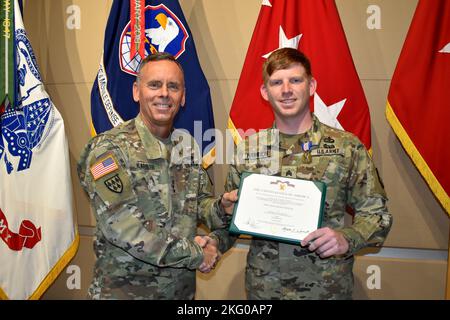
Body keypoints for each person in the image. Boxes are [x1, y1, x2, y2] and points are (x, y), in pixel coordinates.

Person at [223, 48, 392, 299]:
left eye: (295, 80)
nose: (286, 89)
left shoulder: (346, 147)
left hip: (325, 289)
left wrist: (348, 238)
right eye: (277, 82)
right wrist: (219, 226)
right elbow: (230, 223)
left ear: (311, 86)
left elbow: (378, 216)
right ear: (264, 91)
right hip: (265, 290)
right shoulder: (248, 149)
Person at [77, 52, 235, 300]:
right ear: (137, 91)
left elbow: (198, 202)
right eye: (154, 85)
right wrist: (196, 254)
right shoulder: (108, 150)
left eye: (173, 86)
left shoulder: (186, 146)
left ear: (182, 97)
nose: (164, 93)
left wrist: (220, 208)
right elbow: (124, 228)